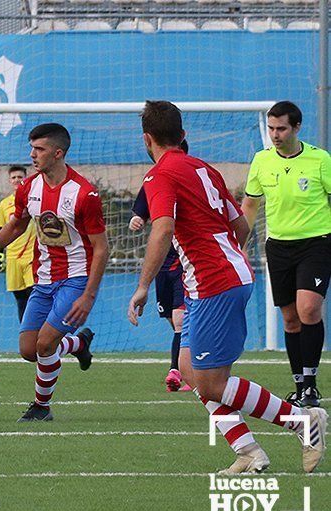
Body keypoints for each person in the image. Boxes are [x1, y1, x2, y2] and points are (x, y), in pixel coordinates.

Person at [128, 100, 326, 474]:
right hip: (228, 275)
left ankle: (301, 421)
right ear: (182, 136)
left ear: (147, 139)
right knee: (190, 370)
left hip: (213, 282)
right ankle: (248, 451)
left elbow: (164, 228)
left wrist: (143, 285)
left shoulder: (159, 176)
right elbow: (238, 225)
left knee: (212, 382)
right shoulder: (204, 168)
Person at [0, 123, 105, 422]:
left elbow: (101, 248)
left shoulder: (84, 194)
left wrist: (89, 295)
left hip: (76, 279)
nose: (32, 155)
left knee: (44, 344)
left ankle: (41, 407)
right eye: (31, 148)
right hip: (43, 279)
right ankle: (78, 343)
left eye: (39, 149)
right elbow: (16, 225)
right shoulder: (30, 187)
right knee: (29, 350)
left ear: (58, 153)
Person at [241, 101, 331, 408]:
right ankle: (298, 384)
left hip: (316, 243)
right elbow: (251, 205)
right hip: (278, 247)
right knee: (291, 320)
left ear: (296, 128)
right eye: (271, 128)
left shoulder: (319, 159)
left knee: (309, 310)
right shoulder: (262, 161)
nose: (275, 135)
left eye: (281, 128)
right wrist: (238, 244)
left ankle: (311, 384)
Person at [128, 140, 191, 393]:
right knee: (172, 319)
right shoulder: (154, 178)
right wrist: (136, 218)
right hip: (162, 262)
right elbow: (142, 209)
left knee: (180, 318)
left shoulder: (190, 177)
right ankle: (189, 366)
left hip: (184, 259)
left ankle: (177, 371)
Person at [0, 165, 35, 322]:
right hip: (13, 258)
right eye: (14, 177)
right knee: (20, 300)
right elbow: (1, 231)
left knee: (35, 297)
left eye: (20, 177)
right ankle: (26, 337)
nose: (17, 180)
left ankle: (38, 336)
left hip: (32, 256)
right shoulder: (5, 204)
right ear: (10, 181)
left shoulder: (33, 200)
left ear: (26, 179)